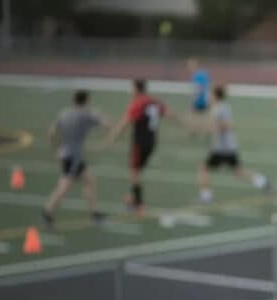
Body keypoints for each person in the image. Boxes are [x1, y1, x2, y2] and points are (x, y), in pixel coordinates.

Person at [103, 79, 181, 216]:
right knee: (137, 171)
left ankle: (138, 204)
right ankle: (133, 197)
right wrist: (183, 122)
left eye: (131, 88)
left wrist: (111, 138)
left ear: (136, 88)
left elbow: (125, 122)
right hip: (152, 142)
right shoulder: (153, 101)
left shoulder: (138, 102)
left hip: (140, 142)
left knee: (134, 172)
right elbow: (169, 113)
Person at [42, 90, 110, 229]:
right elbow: (107, 125)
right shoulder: (86, 115)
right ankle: (48, 211)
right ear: (86, 101)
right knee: (64, 187)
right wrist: (98, 113)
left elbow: (51, 133)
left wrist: (56, 150)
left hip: (67, 153)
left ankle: (94, 212)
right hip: (74, 157)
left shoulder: (64, 113)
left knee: (89, 181)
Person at [198, 84, 271, 203]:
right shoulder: (223, 106)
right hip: (229, 146)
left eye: (210, 94)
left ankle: (206, 196)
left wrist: (213, 131)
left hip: (221, 148)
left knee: (203, 168)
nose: (208, 96)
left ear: (215, 95)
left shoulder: (218, 108)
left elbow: (225, 125)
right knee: (238, 171)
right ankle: (262, 181)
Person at [187, 57, 210, 134]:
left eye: (190, 65)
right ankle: (207, 130)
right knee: (205, 114)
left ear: (196, 65)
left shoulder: (196, 75)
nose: (189, 67)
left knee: (192, 113)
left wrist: (194, 99)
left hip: (200, 98)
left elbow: (198, 88)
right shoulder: (204, 73)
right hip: (206, 98)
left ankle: (193, 129)